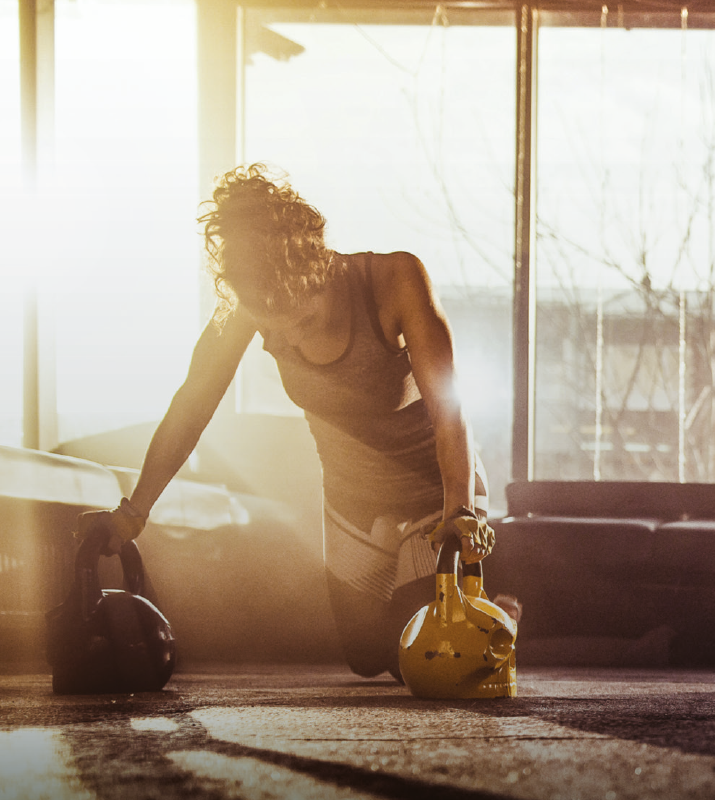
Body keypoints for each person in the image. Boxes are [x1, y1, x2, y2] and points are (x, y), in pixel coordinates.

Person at [82, 164, 495, 680]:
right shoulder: (243, 308)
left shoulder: (395, 280)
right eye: (268, 335)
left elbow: (450, 412)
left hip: (436, 494)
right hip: (354, 501)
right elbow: (192, 405)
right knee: (367, 658)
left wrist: (460, 511)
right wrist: (134, 510)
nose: (281, 347)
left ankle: (498, 608)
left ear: (317, 270)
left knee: (418, 653)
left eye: (297, 326)